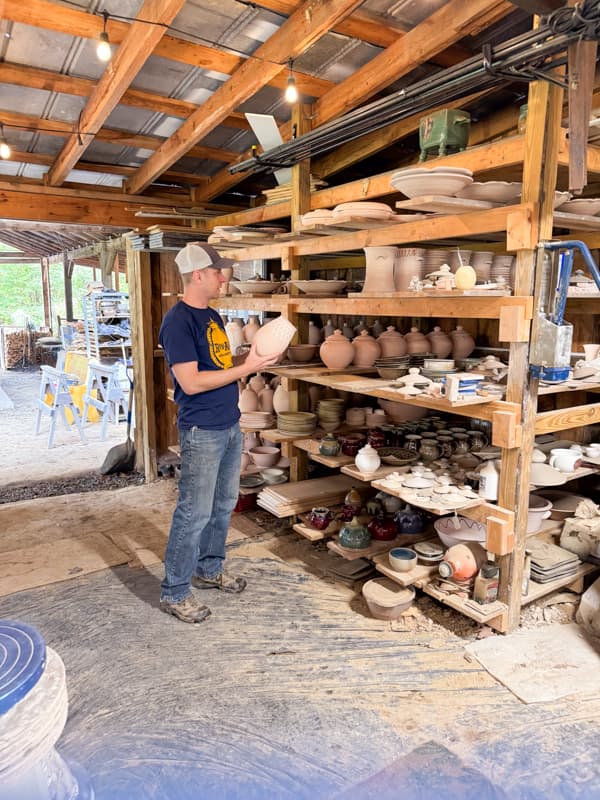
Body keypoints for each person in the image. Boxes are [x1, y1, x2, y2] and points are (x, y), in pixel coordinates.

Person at [158, 243, 280, 623]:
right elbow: (191, 383)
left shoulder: (210, 315)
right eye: (217, 272)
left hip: (228, 423)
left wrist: (253, 358)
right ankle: (175, 592)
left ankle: (208, 570)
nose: (223, 277)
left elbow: (220, 365)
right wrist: (247, 370)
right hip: (201, 429)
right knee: (193, 512)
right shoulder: (178, 322)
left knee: (223, 505)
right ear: (197, 275)